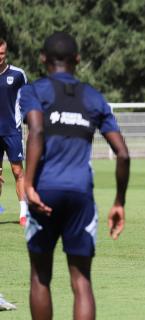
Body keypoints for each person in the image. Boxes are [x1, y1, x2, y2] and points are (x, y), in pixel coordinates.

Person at [20, 31, 130, 319]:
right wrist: (119, 201)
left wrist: (28, 184)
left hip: (44, 192)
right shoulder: (93, 96)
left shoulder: (34, 91)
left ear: (42, 58)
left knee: (40, 276)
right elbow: (123, 153)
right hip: (81, 195)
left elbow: (37, 130)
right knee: (82, 281)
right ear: (78, 60)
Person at [0, 38, 28, 226]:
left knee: (17, 171)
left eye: (1, 53)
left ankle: (24, 214)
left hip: (11, 131)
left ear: (6, 53)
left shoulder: (18, 75)